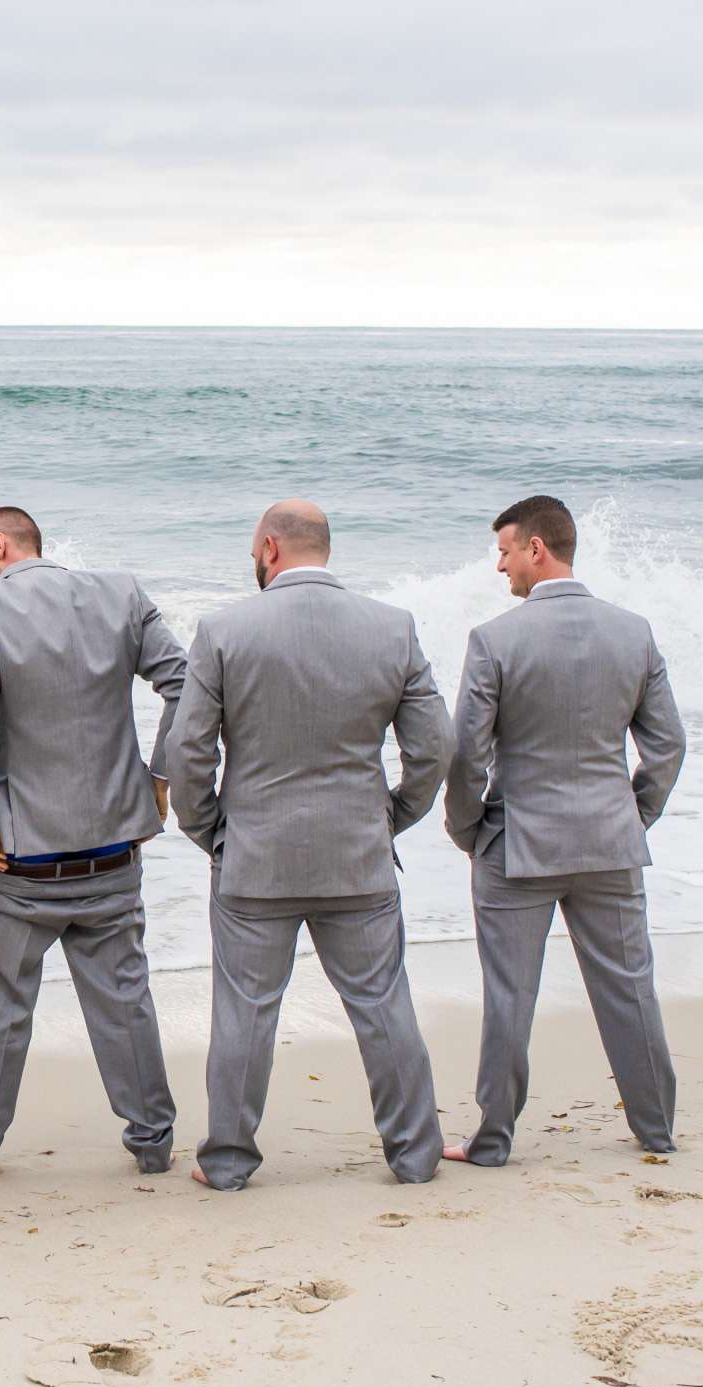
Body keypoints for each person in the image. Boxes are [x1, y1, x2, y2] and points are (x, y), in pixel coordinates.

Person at [169, 499, 451, 1189]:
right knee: (383, 1004)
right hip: (357, 852)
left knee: (244, 1014)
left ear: (269, 548)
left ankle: (230, 1162)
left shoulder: (224, 630)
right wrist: (391, 817)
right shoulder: (391, 627)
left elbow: (187, 754)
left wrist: (214, 833)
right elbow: (437, 747)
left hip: (255, 857)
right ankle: (414, 1155)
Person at [442, 494, 686, 1164]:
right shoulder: (632, 632)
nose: (500, 567)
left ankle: (493, 1141)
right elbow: (666, 747)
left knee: (509, 998)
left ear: (537, 549)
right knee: (629, 987)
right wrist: (632, 815)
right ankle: (657, 1129)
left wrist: (467, 830)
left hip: (518, 844)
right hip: (609, 842)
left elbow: (468, 754)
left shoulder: (496, 640)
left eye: (505, 551)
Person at [0, 506, 186, 1177]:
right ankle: (153, 1142)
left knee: (1, 1003)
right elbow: (188, 685)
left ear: (0, 544)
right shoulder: (121, 595)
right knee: (124, 1000)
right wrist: (161, 775)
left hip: (20, 859)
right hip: (112, 848)